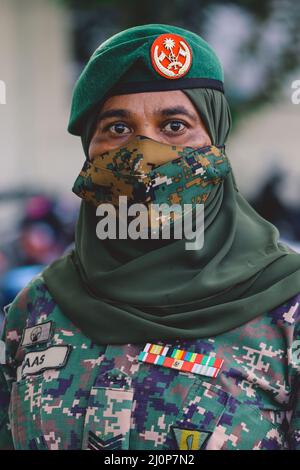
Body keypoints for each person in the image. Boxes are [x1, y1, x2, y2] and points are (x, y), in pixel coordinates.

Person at [0, 24, 299, 451]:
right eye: (117, 128)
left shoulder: (288, 308)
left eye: (175, 125)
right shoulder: (36, 309)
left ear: (216, 137)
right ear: (90, 145)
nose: (145, 154)